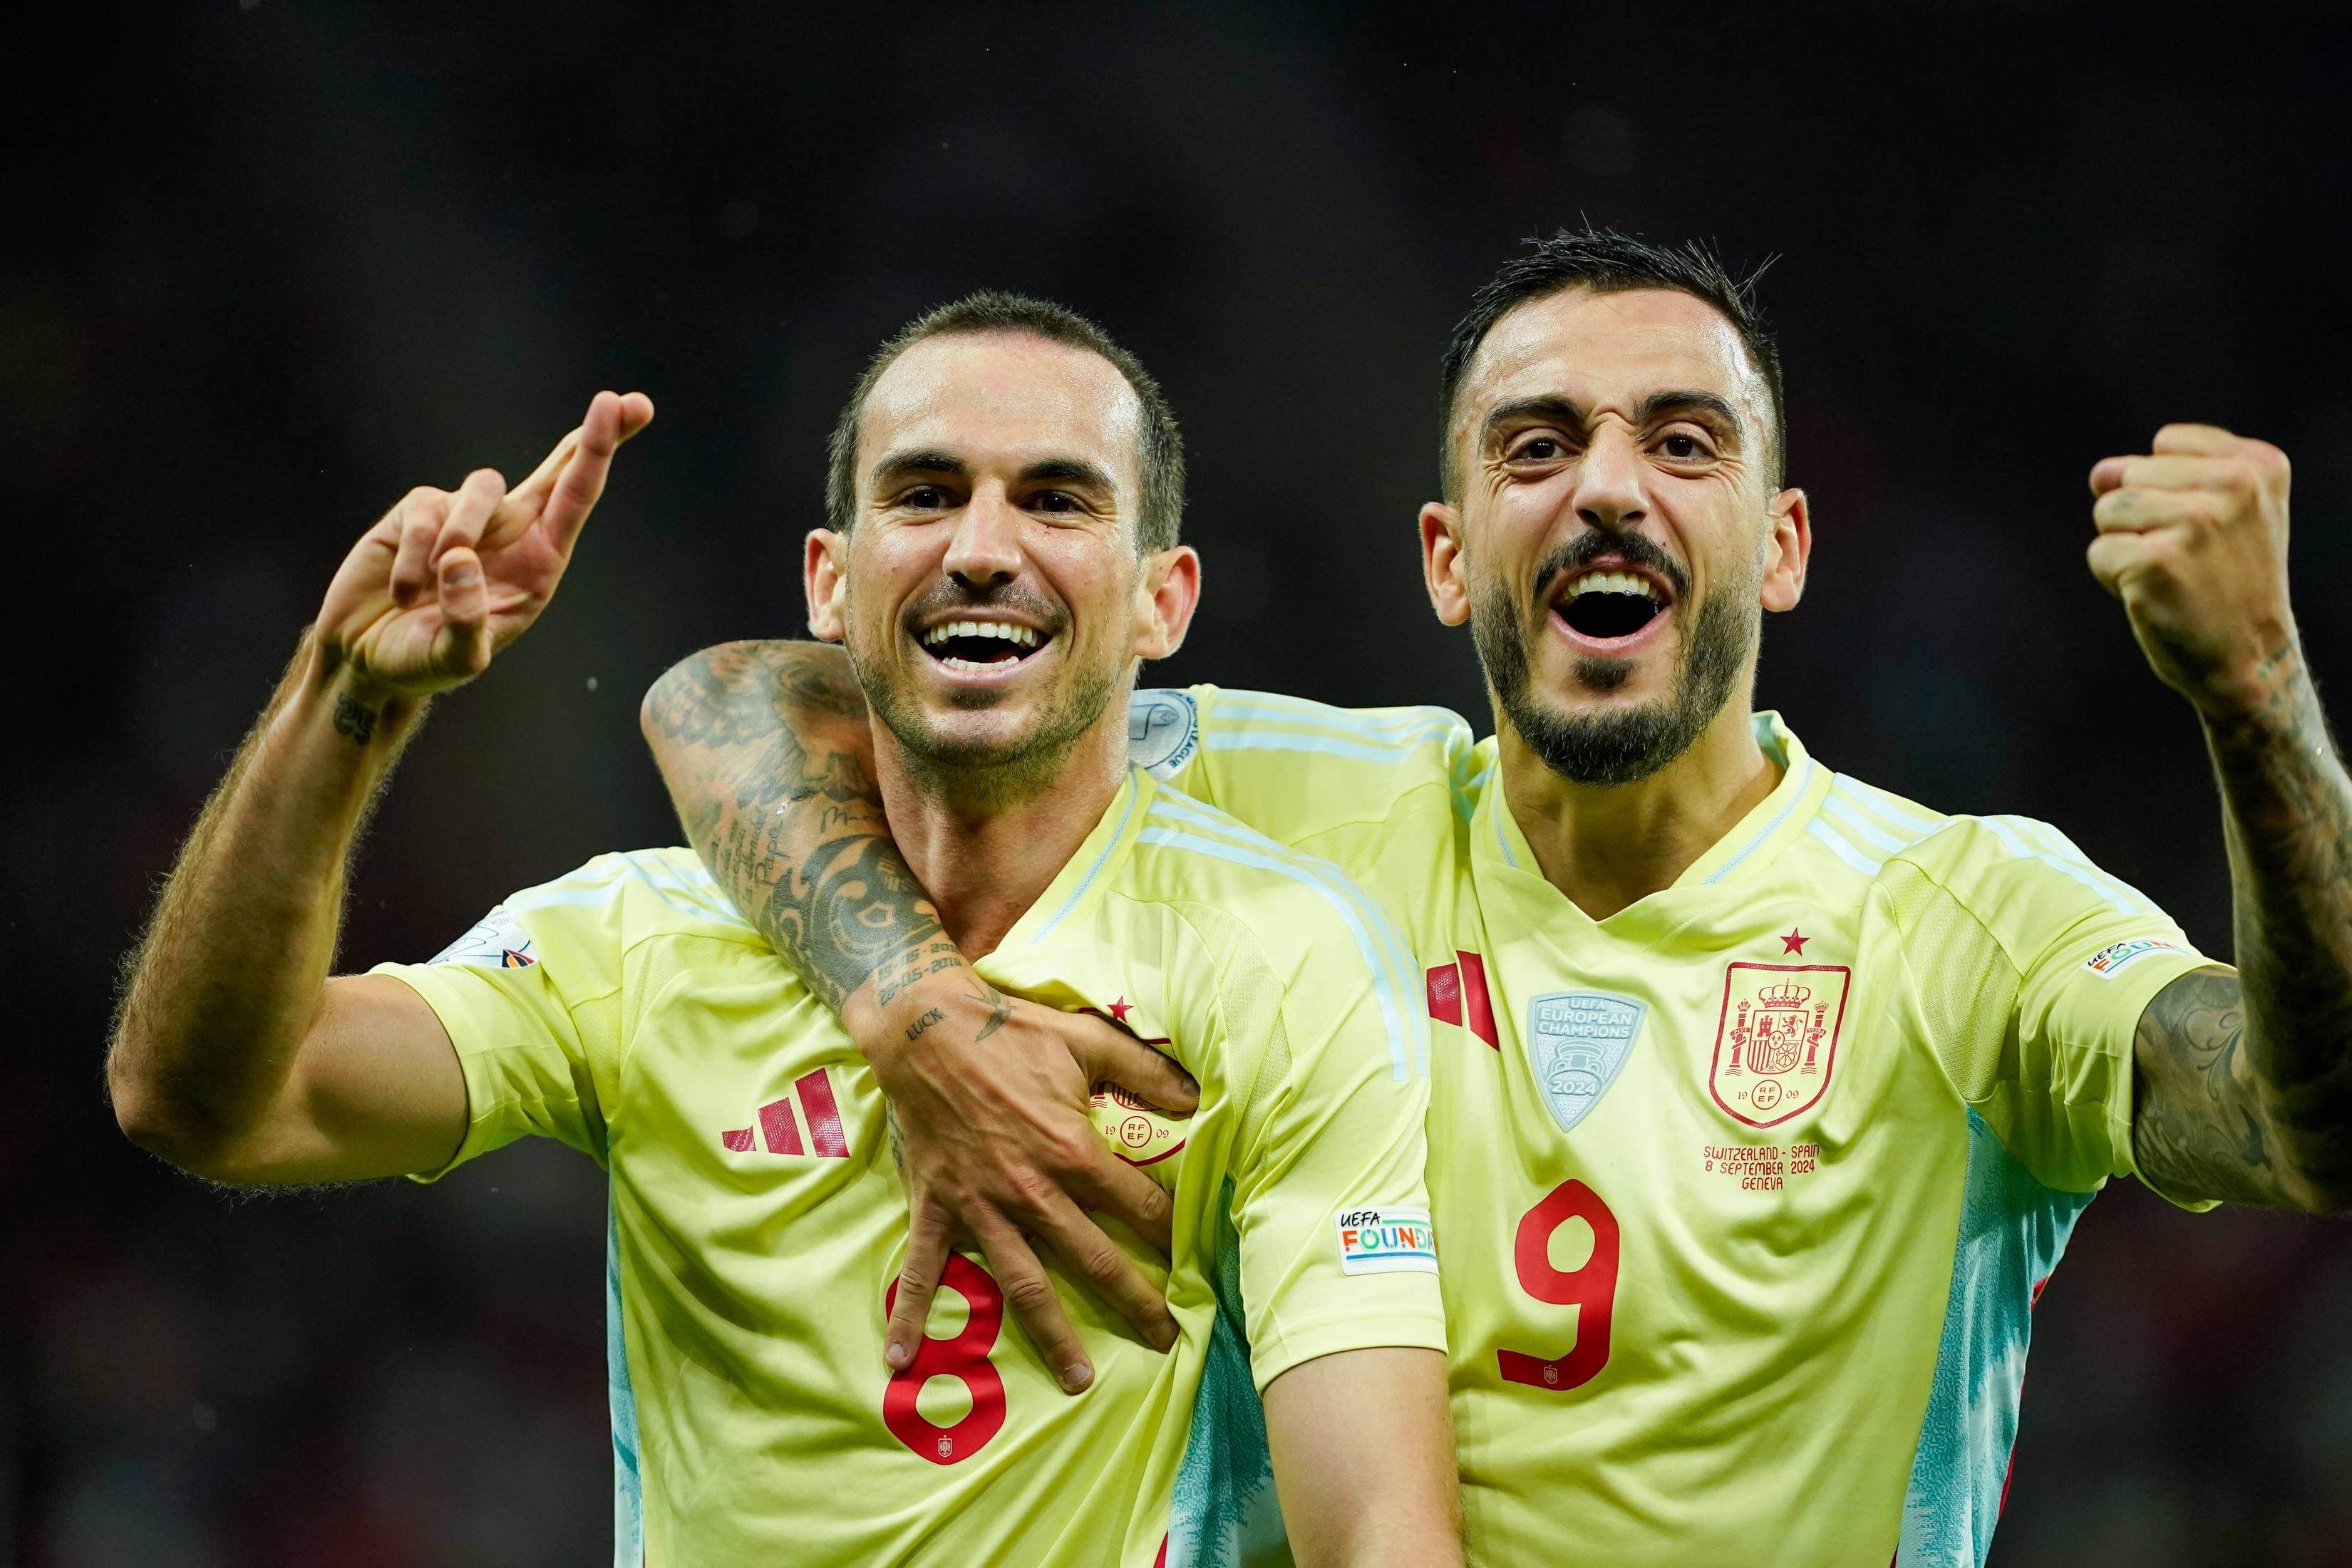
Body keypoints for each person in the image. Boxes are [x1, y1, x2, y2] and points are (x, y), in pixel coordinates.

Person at [642, 229, 2352, 1565]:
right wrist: (914, 1008)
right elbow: (737, 699)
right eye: (1538, 445)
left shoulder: (1966, 917)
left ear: (1784, 543)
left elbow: (2314, 1125)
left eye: (1683, 442)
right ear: (1451, 551)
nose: (1607, 485)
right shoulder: (1273, 798)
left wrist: (2265, 696)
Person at [109, 294, 1463, 1566]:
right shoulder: (642, 943)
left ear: (1163, 600)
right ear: (828, 580)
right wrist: (338, 698)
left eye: (1056, 500)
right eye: (925, 495)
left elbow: (1376, 1529)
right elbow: (209, 1101)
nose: (982, 548)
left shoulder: (1278, 955)